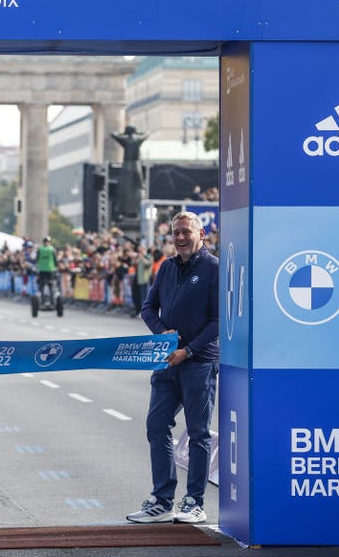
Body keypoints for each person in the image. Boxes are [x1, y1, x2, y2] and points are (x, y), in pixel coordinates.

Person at [127, 211, 218, 525]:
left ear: (200, 233)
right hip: (166, 361)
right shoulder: (165, 267)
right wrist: (162, 332)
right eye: (176, 233)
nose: (180, 238)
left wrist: (188, 350)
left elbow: (220, 320)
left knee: (198, 434)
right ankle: (162, 500)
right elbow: (148, 307)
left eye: (185, 232)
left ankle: (194, 501)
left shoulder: (214, 267)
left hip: (199, 361)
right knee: (156, 425)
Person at [35, 236, 57, 303]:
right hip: (50, 270)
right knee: (51, 286)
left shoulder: (40, 249)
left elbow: (37, 259)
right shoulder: (52, 249)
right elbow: (55, 260)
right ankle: (52, 301)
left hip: (42, 270)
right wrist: (56, 267)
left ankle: (42, 301)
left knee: (41, 286)